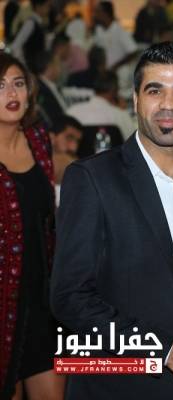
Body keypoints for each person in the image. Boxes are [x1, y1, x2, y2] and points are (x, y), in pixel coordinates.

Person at [51, 42, 173, 400]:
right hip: (122, 386)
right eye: (154, 90)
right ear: (135, 100)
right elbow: (70, 297)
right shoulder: (92, 178)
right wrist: (165, 351)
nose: (167, 104)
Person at [0, 52, 65, 400]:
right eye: (0, 86)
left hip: (43, 302)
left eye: (18, 83)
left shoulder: (39, 140)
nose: (11, 93)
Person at [67, 70, 136, 141]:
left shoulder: (72, 112)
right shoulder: (121, 116)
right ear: (115, 90)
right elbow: (133, 143)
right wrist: (122, 111)